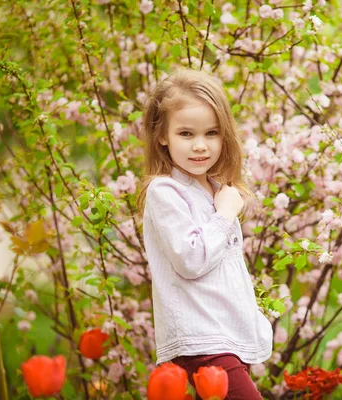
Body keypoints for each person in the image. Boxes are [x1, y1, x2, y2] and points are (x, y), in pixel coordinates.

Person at [137, 68, 272, 399]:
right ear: (162, 135)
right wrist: (225, 213)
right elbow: (191, 259)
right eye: (186, 134)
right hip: (201, 338)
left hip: (224, 334)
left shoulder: (214, 190)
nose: (200, 146)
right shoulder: (165, 192)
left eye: (211, 133)